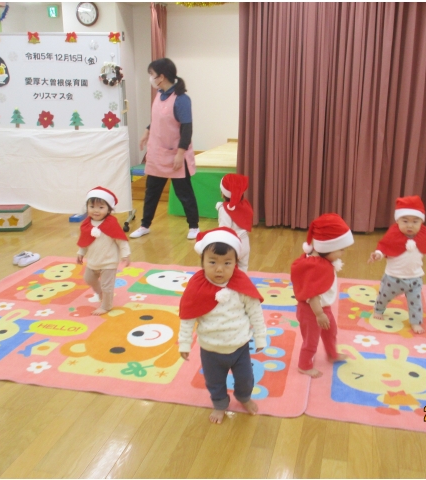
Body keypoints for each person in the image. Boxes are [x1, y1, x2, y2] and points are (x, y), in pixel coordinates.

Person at [179, 227, 266, 424]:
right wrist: (184, 343)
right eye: (212, 262)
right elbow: (187, 316)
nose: (219, 269)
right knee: (214, 382)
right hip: (210, 350)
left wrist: (260, 337)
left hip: (240, 346)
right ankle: (220, 405)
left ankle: (244, 397)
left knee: (246, 379)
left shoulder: (241, 284)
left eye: (227, 263)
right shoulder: (197, 287)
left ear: (236, 263)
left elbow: (255, 311)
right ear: (202, 261)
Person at [130, 57, 200, 240]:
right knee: (151, 192)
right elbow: (157, 119)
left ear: (161, 77)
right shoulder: (159, 95)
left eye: (151, 74)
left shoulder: (181, 99)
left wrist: (180, 153)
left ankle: (194, 226)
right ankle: (145, 225)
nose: (150, 78)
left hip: (176, 154)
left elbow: (187, 128)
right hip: (157, 154)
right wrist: (147, 131)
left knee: (184, 193)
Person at [368, 195, 426, 334]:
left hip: (415, 278)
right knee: (384, 296)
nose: (410, 225)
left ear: (421, 221)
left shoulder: (423, 235)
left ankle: (416, 322)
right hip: (393, 278)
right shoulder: (393, 234)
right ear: (397, 220)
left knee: (416, 302)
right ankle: (379, 309)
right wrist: (377, 254)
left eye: (415, 221)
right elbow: (384, 247)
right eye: (405, 221)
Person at [290, 213, 353, 378]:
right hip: (312, 311)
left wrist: (322, 312)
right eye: (340, 249)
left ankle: (332, 353)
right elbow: (312, 295)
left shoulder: (324, 262)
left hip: (323, 308)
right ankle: (304, 365)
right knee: (311, 340)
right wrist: (319, 314)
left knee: (331, 331)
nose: (342, 253)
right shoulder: (317, 267)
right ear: (327, 248)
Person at [77, 186, 131, 315]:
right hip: (93, 261)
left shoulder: (111, 223)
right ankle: (100, 292)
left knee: (107, 286)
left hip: (109, 262)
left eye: (101, 207)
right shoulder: (86, 224)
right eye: (92, 207)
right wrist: (80, 253)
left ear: (109, 209)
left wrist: (125, 254)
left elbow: (121, 240)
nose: (96, 210)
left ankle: (106, 306)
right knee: (88, 279)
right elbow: (84, 240)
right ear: (87, 207)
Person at [216, 174, 253, 272]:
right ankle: (243, 281)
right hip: (245, 243)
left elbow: (224, 230)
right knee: (243, 268)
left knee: (228, 269)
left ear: (223, 193)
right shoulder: (245, 205)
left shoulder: (224, 209)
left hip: (233, 245)